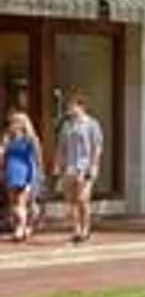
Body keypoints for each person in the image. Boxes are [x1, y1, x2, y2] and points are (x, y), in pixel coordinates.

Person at [55, 93, 103, 244]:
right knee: (71, 200)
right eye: (69, 107)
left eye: (73, 106)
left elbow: (97, 146)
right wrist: (58, 164)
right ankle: (76, 229)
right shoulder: (67, 125)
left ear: (81, 107)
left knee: (83, 199)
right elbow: (61, 146)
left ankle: (86, 228)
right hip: (70, 166)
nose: (70, 109)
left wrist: (94, 165)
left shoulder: (91, 124)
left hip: (85, 166)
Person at [4, 114, 41, 243]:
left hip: (24, 171)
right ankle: (22, 226)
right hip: (11, 171)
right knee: (13, 203)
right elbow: (3, 155)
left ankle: (20, 229)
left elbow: (37, 158)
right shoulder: (8, 139)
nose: (12, 125)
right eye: (11, 123)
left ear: (22, 124)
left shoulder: (30, 139)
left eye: (15, 122)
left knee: (21, 202)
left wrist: (36, 174)